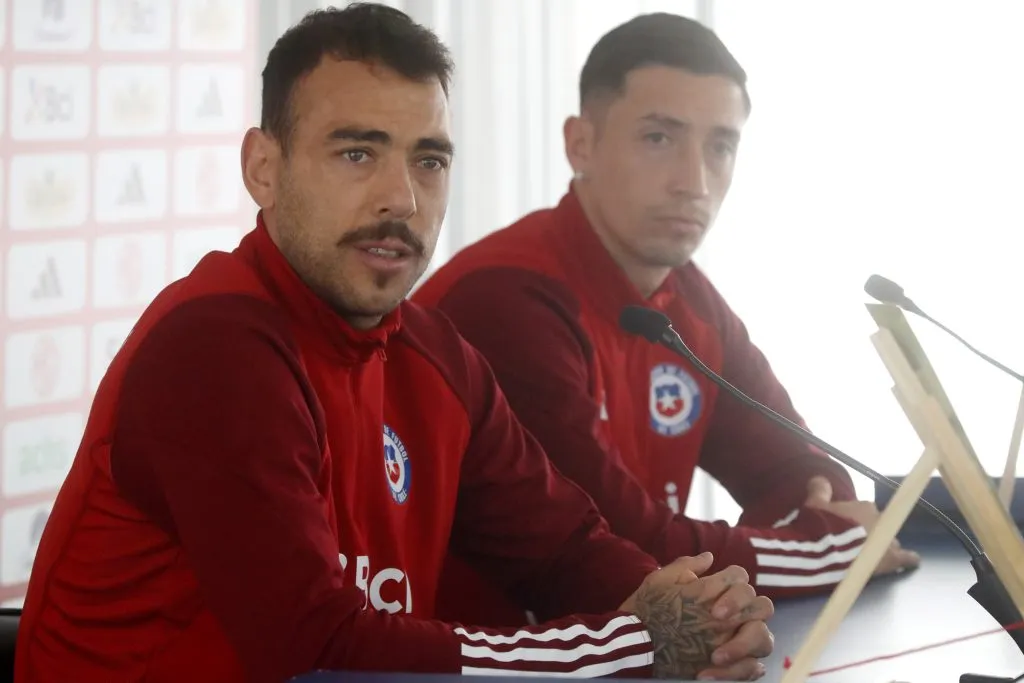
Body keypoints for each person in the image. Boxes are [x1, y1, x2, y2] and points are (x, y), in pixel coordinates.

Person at [14, 5, 774, 683]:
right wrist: (634, 642)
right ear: (263, 169)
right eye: (357, 153)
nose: (401, 199)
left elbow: (563, 548)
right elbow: (317, 647)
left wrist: (691, 612)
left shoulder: (435, 356)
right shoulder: (216, 349)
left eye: (429, 160)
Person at [413, 12, 921, 626]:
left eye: (721, 145)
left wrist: (799, 537)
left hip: (636, 653)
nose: (694, 181)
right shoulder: (504, 298)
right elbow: (625, 543)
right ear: (581, 144)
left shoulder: (691, 302)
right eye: (659, 138)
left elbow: (805, 472)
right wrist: (824, 551)